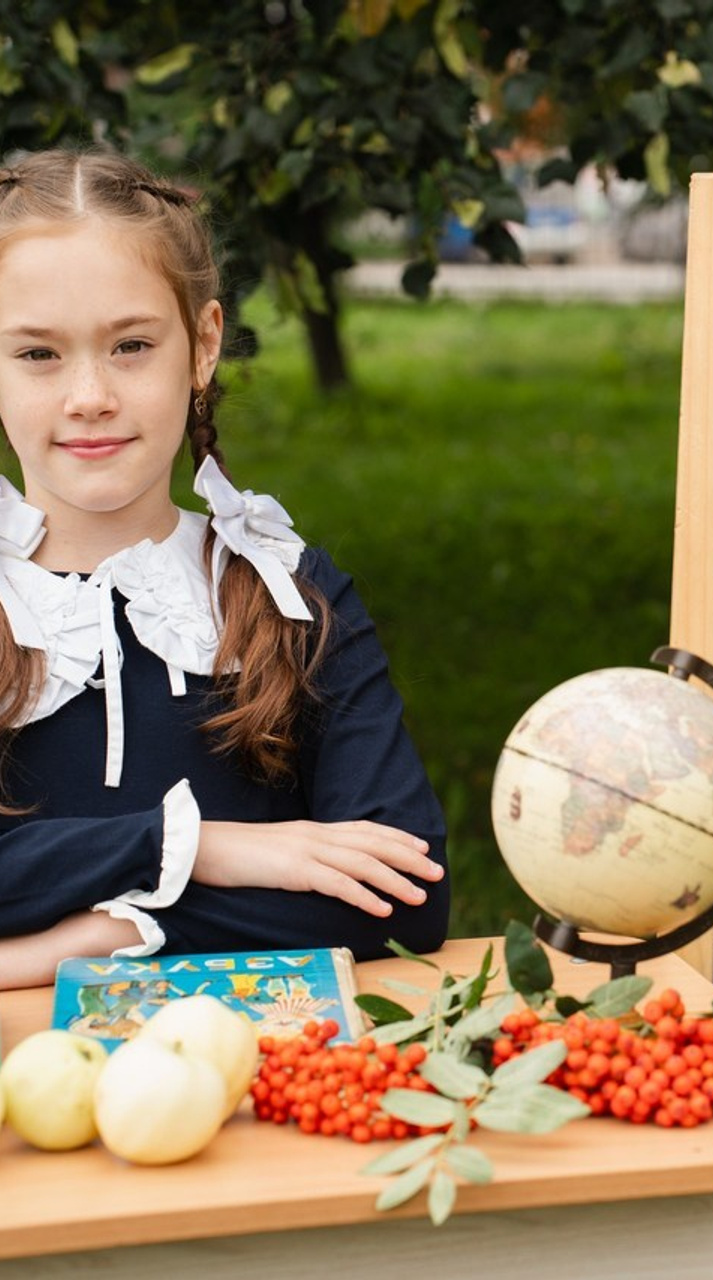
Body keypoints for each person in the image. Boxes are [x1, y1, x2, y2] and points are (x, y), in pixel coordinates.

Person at [0, 148, 448, 989]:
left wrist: (98, 934)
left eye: (131, 345)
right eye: (38, 355)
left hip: (259, 1087)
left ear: (203, 345)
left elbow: (408, 898)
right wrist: (202, 846)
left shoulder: (289, 590)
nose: (89, 394)